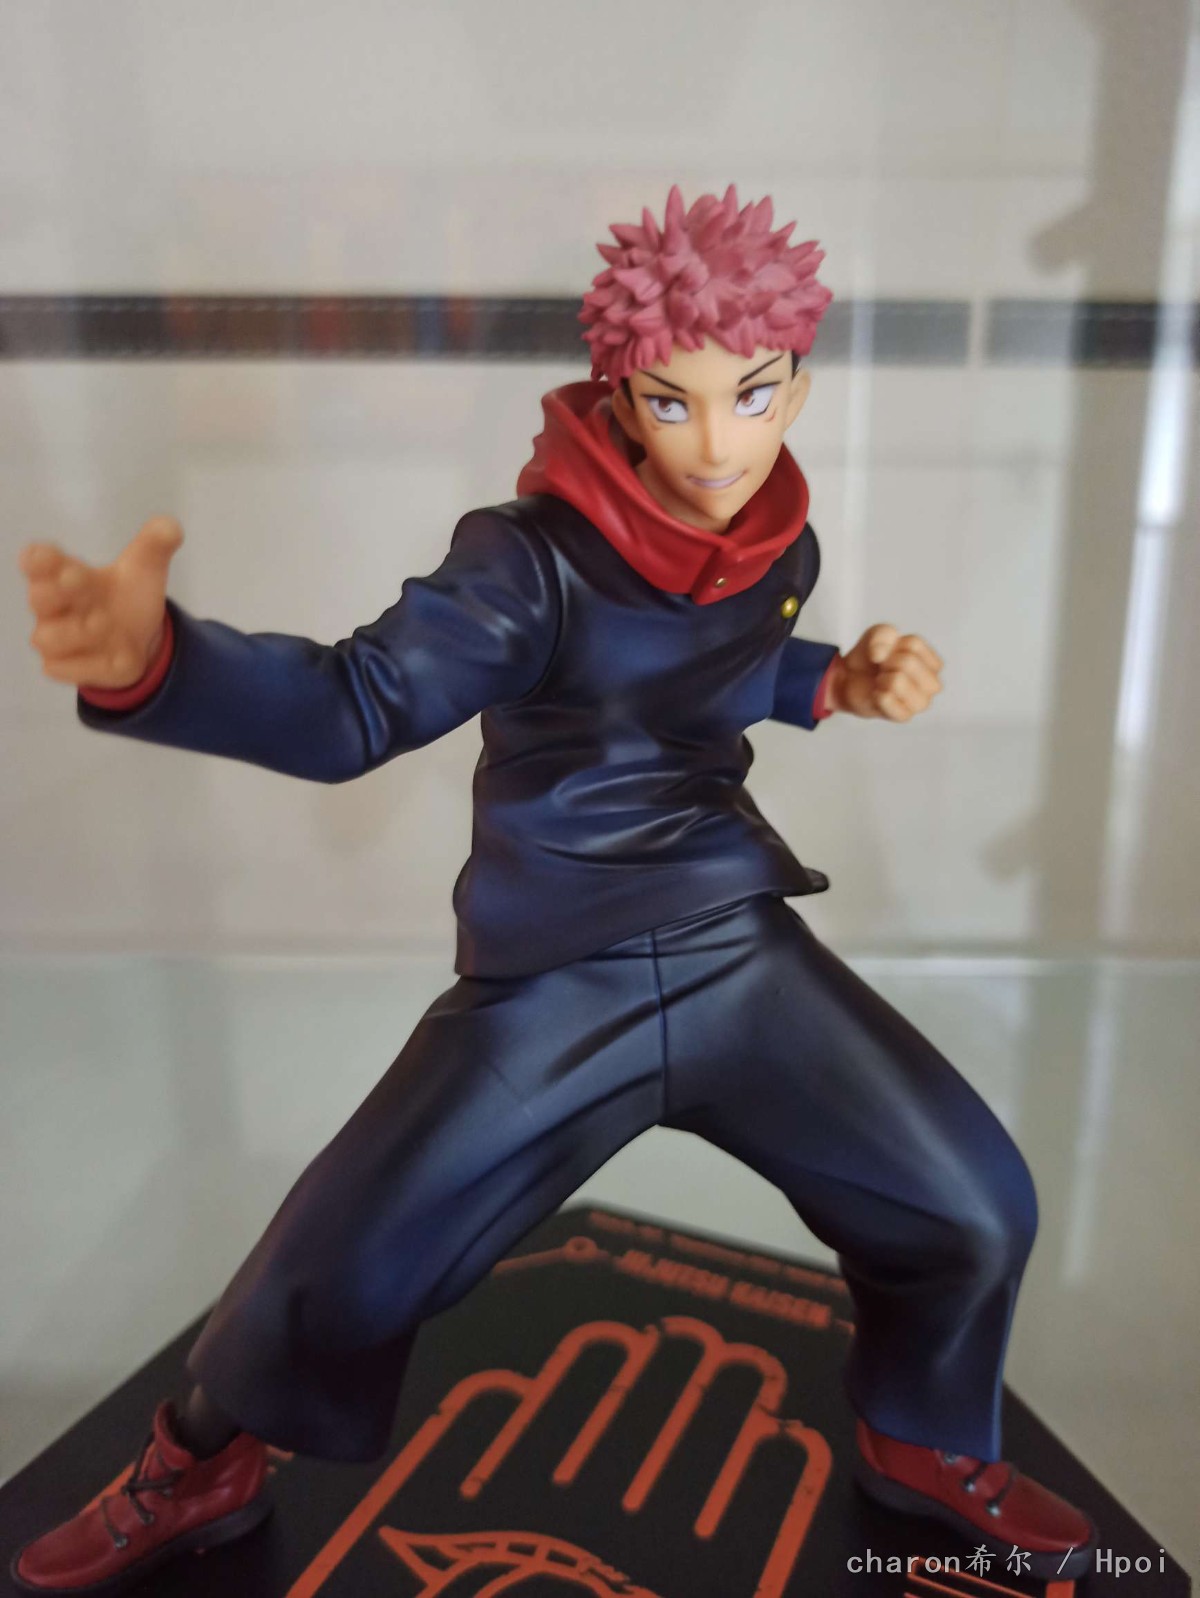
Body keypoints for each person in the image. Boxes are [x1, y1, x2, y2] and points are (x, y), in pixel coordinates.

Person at [11, 186, 1096, 1593]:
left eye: (753, 395)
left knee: (971, 1200)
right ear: (621, 394)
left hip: (731, 949)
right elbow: (356, 705)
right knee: (338, 1255)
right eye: (674, 402)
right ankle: (199, 1457)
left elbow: (715, 664)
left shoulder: (783, 544)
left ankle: (924, 1433)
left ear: (796, 386)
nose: (718, 444)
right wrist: (160, 664)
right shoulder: (524, 561)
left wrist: (832, 679)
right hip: (559, 973)